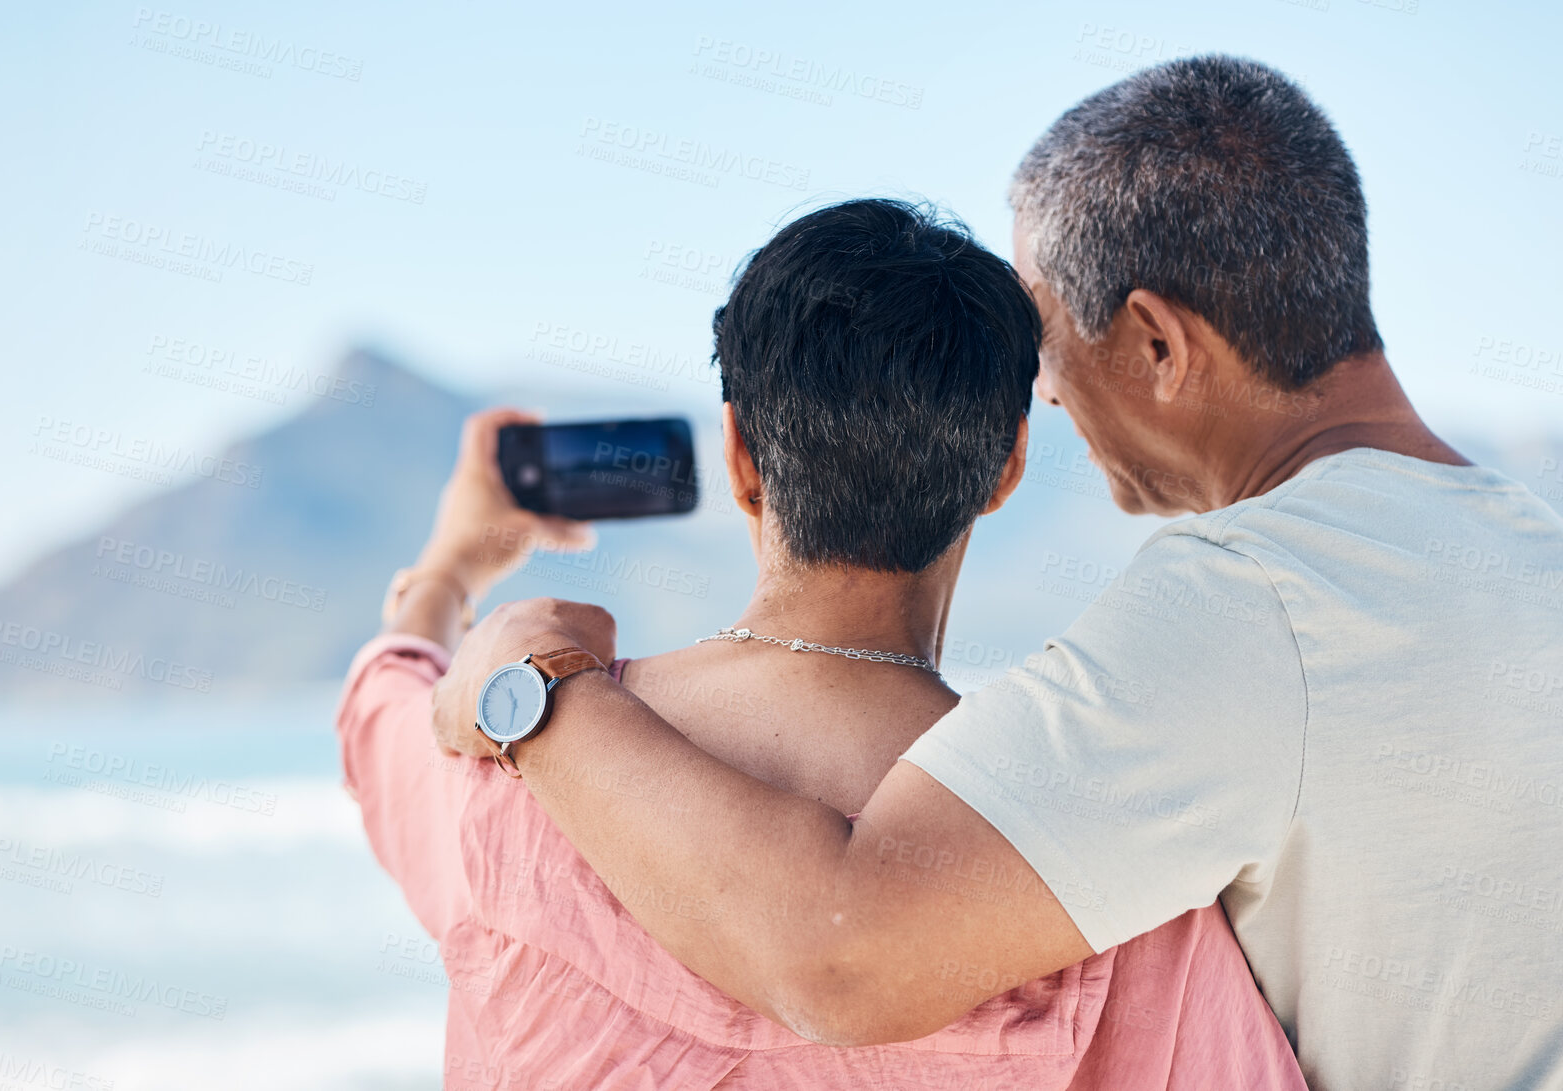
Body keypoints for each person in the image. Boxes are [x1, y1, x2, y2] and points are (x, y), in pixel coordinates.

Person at [429, 56, 1563, 1091]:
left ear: (1157, 344)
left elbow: (840, 952)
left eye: (1049, 351)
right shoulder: (1527, 549)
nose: (1052, 396)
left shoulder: (1250, 605)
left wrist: (528, 672)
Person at [341, 200, 1306, 1087]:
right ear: (1006, 466)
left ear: (741, 459)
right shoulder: (1087, 876)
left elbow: (381, 713)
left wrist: (450, 569)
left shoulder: (506, 759)